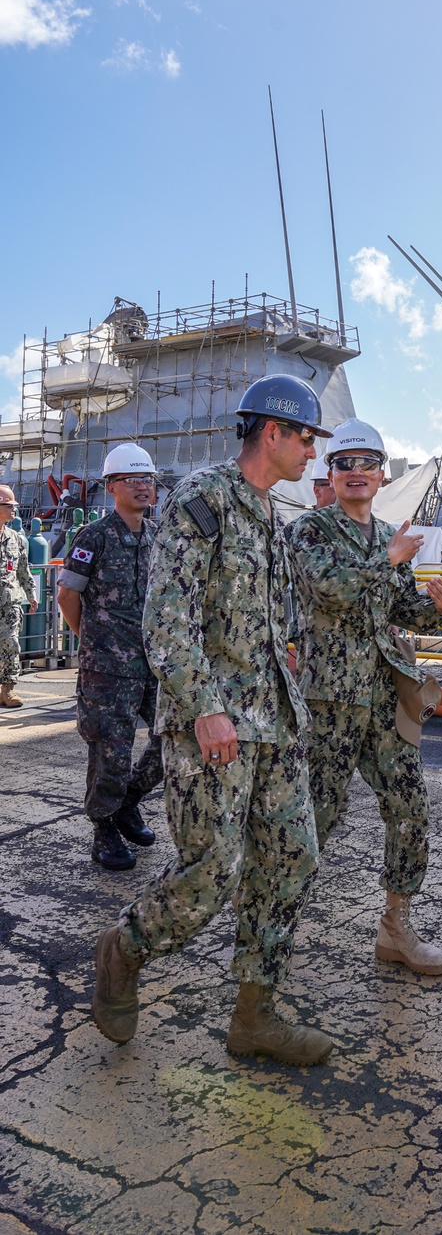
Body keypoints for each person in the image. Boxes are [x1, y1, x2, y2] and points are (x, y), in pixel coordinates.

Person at [90, 374, 336, 1068]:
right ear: (273, 433)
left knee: (293, 859)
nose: (313, 451)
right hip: (216, 726)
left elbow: (271, 625)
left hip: (274, 724)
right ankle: (126, 946)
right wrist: (204, 709)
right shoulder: (205, 497)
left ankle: (254, 1015)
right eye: (307, 437)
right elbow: (166, 619)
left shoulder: (269, 515)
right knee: (213, 872)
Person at [287, 418, 442, 976]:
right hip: (331, 700)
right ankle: (270, 930)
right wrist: (390, 559)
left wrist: (436, 604)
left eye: (367, 463)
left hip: (385, 696)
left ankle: (396, 928)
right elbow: (331, 591)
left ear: (383, 474)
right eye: (345, 464)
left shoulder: (389, 534)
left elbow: (396, 611)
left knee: (410, 809)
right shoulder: (310, 531)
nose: (356, 472)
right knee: (314, 818)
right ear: (329, 474)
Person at [57, 444, 163, 870]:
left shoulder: (157, 536)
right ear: (111, 487)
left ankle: (128, 802)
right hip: (108, 671)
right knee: (110, 752)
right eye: (133, 480)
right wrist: (92, 640)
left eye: (148, 479)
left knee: (171, 741)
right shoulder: (93, 537)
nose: (143, 486)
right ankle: (104, 829)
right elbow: (67, 595)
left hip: (154, 664)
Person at [0, 487, 36, 709]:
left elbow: (23, 569)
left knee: (11, 644)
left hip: (10, 602)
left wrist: (31, 594)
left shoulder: (16, 539)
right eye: (9, 506)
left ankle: (8, 691)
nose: (14, 509)